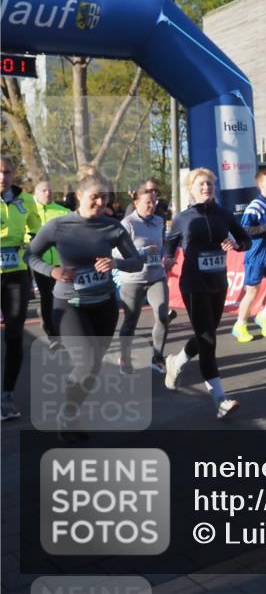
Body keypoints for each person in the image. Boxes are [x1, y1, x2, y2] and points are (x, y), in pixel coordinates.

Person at [26, 173, 143, 440]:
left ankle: (71, 413)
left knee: (94, 366)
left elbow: (135, 262)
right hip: (69, 304)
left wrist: (116, 264)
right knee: (87, 362)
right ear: (79, 196)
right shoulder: (58, 226)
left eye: (104, 197)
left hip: (103, 305)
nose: (100, 202)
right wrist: (52, 270)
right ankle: (66, 416)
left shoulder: (113, 227)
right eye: (94, 197)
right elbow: (30, 254)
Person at [162, 168, 251, 419]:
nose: (206, 188)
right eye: (201, 184)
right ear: (191, 189)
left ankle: (176, 362)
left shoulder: (224, 215)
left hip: (217, 283)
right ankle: (219, 399)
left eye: (210, 184)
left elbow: (246, 240)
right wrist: (168, 258)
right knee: (208, 341)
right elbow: (170, 243)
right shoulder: (183, 218)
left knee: (207, 335)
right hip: (193, 284)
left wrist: (235, 244)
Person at [114, 187, 172, 375]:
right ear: (136, 203)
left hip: (156, 276)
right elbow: (116, 253)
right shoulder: (127, 224)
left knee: (163, 316)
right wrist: (143, 252)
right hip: (133, 279)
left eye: (154, 201)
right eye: (148, 202)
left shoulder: (159, 221)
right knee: (130, 321)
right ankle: (124, 356)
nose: (153, 205)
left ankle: (157, 357)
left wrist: (165, 259)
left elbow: (161, 245)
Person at [1, 157, 41, 421]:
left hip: (15, 274)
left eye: (6, 171)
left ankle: (7, 395)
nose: (2, 176)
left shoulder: (25, 200)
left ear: (13, 173)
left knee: (15, 334)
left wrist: (28, 242)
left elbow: (37, 230)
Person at [232, 168, 266, 343]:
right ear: (261, 184)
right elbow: (244, 231)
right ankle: (239, 325)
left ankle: (264, 316)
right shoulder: (255, 206)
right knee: (252, 292)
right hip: (256, 255)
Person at [31, 180, 70, 351]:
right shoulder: (30, 212)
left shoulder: (63, 211)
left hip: (62, 262)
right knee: (48, 297)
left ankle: (66, 330)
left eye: (50, 190)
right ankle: (53, 335)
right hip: (42, 264)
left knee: (63, 298)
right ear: (36, 194)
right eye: (44, 190)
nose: (48, 193)